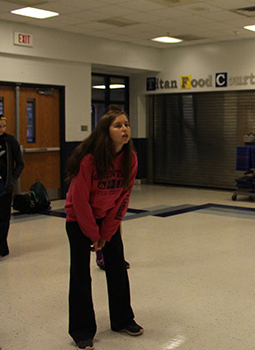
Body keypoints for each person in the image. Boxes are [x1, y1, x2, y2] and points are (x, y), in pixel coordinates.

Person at [65, 107, 142, 350]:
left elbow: (124, 198)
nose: (125, 129)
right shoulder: (89, 159)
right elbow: (79, 201)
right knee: (80, 275)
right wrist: (93, 234)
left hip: (107, 218)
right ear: (105, 132)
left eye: (126, 124)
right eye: (118, 125)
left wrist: (106, 233)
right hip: (79, 220)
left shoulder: (130, 159)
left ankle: (122, 319)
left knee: (117, 267)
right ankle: (81, 330)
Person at [0, 113, 25, 266]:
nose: (2, 129)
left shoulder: (10, 141)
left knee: (1, 219)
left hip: (4, 187)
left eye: (4, 126)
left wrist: (12, 180)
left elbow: (20, 163)